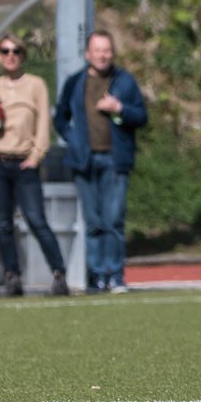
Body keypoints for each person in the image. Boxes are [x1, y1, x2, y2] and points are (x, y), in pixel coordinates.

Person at [55, 30, 149, 294]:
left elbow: (141, 116)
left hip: (114, 160)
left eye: (107, 50)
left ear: (112, 52)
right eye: (97, 50)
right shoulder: (75, 82)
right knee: (93, 222)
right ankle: (97, 275)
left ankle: (116, 275)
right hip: (84, 161)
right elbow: (60, 118)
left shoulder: (125, 82)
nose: (102, 55)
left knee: (114, 221)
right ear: (88, 54)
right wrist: (73, 139)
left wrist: (120, 109)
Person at [0, 34, 69, 297]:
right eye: (5, 51)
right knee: (3, 223)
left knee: (36, 220)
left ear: (22, 55)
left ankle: (59, 275)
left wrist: (37, 156)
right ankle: (12, 277)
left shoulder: (35, 85)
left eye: (16, 50)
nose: (11, 55)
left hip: (24, 163)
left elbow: (43, 125)